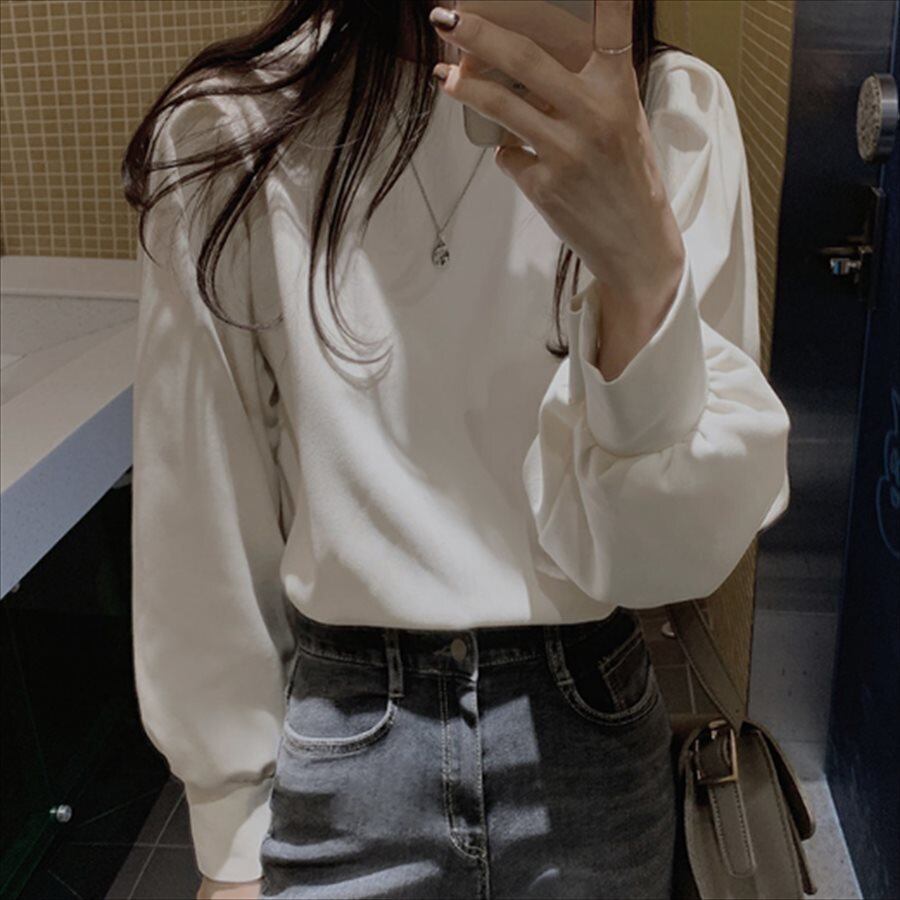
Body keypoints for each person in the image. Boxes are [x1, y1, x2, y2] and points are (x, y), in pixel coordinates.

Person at [123, 1, 791, 898]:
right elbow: (201, 509)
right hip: (346, 745)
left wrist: (641, 275)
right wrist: (231, 829)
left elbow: (666, 562)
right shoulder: (236, 125)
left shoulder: (671, 114)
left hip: (586, 737)